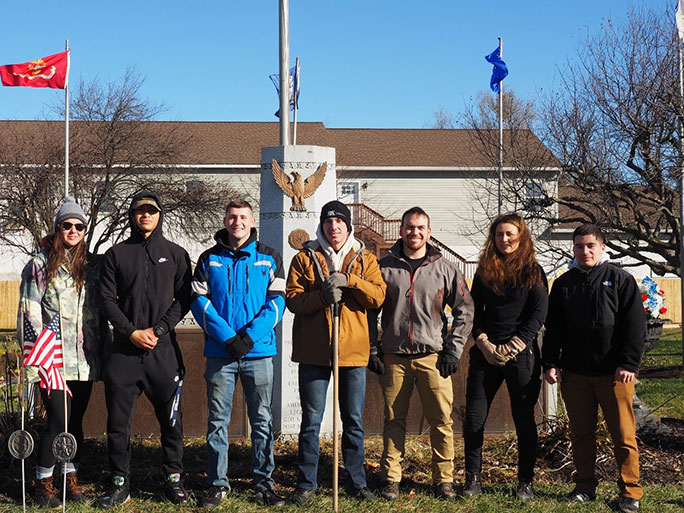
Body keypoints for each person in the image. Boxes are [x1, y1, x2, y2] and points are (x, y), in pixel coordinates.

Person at [368, 206, 474, 501]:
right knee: (393, 420)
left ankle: (444, 480)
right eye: (410, 227)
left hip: (433, 357)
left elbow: (466, 309)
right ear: (401, 230)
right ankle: (390, 479)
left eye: (420, 228)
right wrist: (372, 346)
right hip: (393, 356)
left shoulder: (445, 268)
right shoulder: (383, 266)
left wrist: (453, 349)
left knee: (441, 420)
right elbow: (368, 310)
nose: (415, 232)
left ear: (429, 232)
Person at [285, 200, 386, 505]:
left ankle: (357, 481)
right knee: (311, 422)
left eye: (339, 222)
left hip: (353, 353)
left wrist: (351, 281)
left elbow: (378, 296)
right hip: (314, 353)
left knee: (353, 420)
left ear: (347, 225)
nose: (334, 227)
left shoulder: (364, 258)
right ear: (323, 226)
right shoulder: (305, 258)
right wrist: (322, 296)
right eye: (329, 222)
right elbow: (293, 300)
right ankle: (306, 483)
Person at [98, 191, 192, 508]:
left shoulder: (177, 254)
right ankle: (119, 484)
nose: (146, 216)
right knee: (117, 425)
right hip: (124, 352)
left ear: (159, 214)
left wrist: (159, 329)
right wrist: (131, 332)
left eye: (151, 211)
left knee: (172, 421)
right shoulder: (116, 254)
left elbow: (184, 300)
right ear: (132, 215)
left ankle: (174, 480)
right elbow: (107, 301)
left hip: (163, 351)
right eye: (140, 211)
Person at [543, 224, 645, 513]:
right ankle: (584, 487)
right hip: (575, 375)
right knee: (581, 435)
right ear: (573, 249)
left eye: (590, 246)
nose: (584, 251)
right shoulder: (563, 284)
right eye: (579, 246)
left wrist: (628, 363)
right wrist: (550, 363)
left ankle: (630, 492)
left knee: (623, 435)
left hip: (614, 374)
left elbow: (635, 326)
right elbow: (554, 330)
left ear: (602, 248)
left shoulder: (621, 280)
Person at [190, 200, 286, 508]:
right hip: (221, 353)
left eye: (243, 217)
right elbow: (199, 302)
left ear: (252, 220)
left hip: (258, 353)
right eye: (232, 217)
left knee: (261, 420)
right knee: (218, 421)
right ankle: (217, 484)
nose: (237, 222)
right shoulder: (208, 258)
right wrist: (228, 337)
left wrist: (248, 337)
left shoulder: (270, 257)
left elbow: (277, 303)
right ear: (225, 220)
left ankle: (264, 484)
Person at [18, 196, 109, 508]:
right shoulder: (40, 265)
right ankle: (42, 481)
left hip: (84, 360)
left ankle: (69, 475)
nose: (73, 230)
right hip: (52, 360)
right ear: (57, 228)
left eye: (79, 226)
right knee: (59, 420)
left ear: (85, 230)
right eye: (67, 225)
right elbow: (29, 313)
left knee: (76, 423)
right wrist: (33, 364)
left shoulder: (92, 266)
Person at [463, 213, 548, 502]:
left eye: (510, 234)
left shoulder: (534, 272)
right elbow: (473, 312)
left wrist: (515, 345)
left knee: (524, 420)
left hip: (520, 355)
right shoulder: (485, 270)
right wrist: (484, 343)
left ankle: (525, 483)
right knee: (474, 419)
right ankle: (472, 480)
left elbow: (538, 314)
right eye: (499, 235)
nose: (504, 239)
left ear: (521, 236)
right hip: (485, 355)